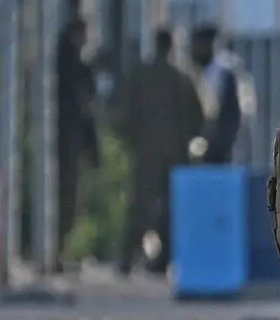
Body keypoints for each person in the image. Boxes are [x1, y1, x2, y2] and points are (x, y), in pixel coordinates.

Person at [112, 26, 206, 274]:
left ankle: (127, 257)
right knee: (173, 207)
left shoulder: (140, 74)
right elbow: (200, 115)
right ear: (172, 45)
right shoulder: (183, 76)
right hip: (177, 153)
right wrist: (190, 140)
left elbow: (124, 114)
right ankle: (166, 258)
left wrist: (133, 140)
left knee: (140, 205)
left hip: (146, 152)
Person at [53, 18, 101, 264]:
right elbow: (85, 110)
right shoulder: (72, 69)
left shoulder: (61, 66)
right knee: (66, 198)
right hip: (67, 140)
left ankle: (58, 250)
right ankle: (57, 250)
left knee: (67, 198)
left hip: (65, 140)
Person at [190, 23, 256, 166]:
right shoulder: (197, 70)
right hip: (203, 146)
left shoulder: (227, 72)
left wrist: (224, 142)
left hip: (224, 147)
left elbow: (239, 112)